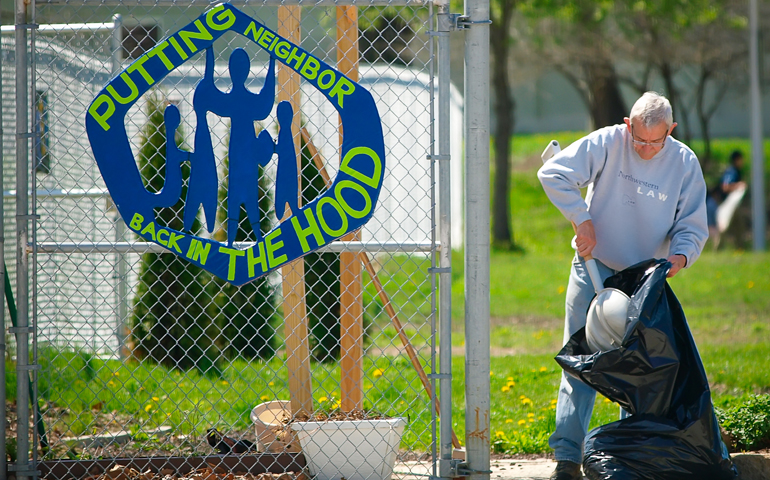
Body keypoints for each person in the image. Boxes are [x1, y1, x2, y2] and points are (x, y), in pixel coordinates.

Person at [537, 92, 709, 480]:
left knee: (638, 370)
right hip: (594, 266)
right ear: (628, 125)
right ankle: (567, 457)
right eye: (639, 140)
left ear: (672, 130)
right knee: (580, 362)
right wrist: (582, 219)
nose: (647, 150)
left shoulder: (683, 161)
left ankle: (626, 455)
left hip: (646, 278)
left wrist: (680, 257)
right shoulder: (608, 141)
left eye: (656, 141)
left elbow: (692, 224)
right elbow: (553, 173)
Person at [706, 150, 746, 248]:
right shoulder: (731, 171)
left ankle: (739, 247)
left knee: (736, 226)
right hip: (717, 204)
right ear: (737, 160)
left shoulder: (735, 171)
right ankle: (716, 248)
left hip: (726, 205)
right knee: (719, 228)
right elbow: (725, 187)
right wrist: (739, 185)